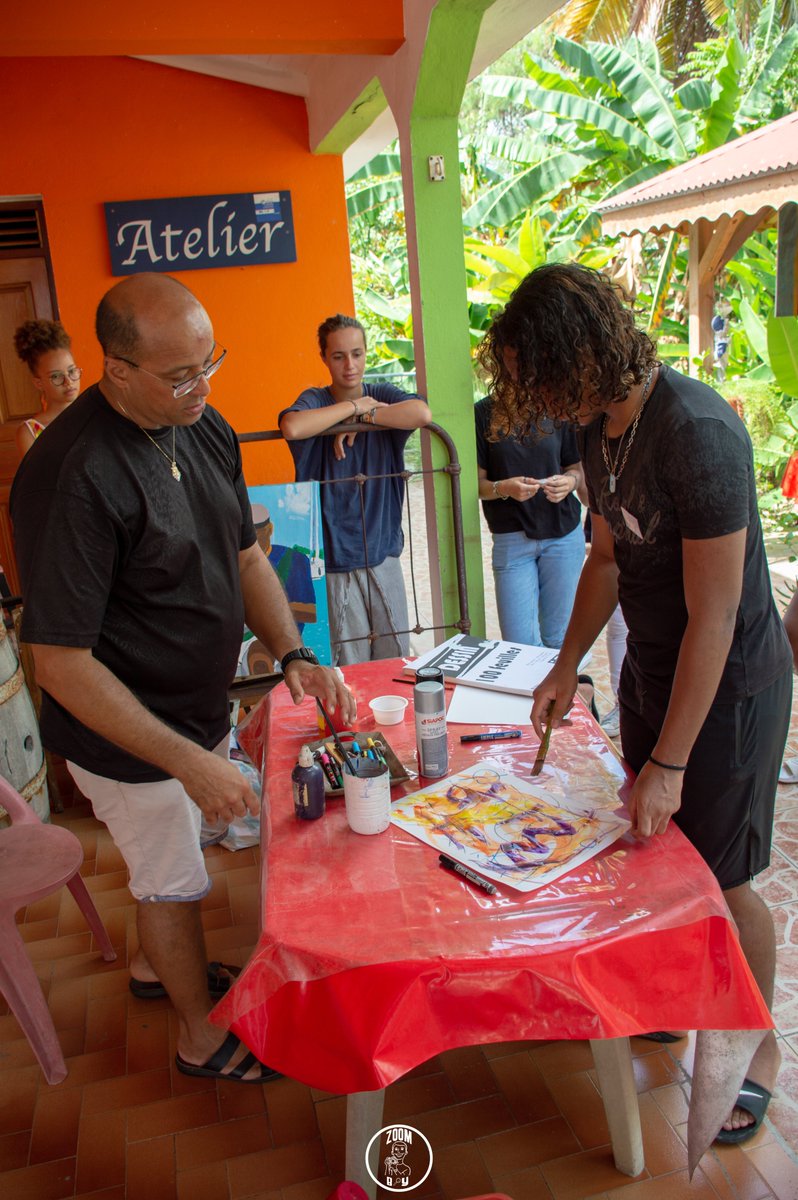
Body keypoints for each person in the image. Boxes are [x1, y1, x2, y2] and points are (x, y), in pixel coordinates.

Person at [10, 273, 356, 1085]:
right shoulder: (75, 475)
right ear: (117, 371)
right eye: (179, 375)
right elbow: (57, 661)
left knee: (166, 861)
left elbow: (244, 555)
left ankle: (146, 969)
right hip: (127, 734)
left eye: (211, 363)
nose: (202, 387)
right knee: (171, 878)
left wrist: (294, 652)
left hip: (191, 707)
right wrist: (187, 760)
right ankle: (199, 1039)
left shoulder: (202, 426)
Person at [478, 262, 793, 1143]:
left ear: (581, 357)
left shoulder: (696, 433)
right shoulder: (599, 430)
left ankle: (756, 1052)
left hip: (727, 689)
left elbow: (717, 615)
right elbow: (608, 561)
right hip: (656, 671)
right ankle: (670, 1001)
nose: (536, 399)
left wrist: (669, 762)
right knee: (655, 858)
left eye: (541, 376)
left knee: (724, 881)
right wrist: (562, 665)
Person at [279, 315, 432, 665]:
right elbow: (292, 425)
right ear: (324, 357)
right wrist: (351, 409)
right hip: (335, 557)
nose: (350, 365)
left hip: (383, 550)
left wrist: (364, 419)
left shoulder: (381, 395)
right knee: (352, 663)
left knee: (395, 657)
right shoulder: (316, 400)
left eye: (357, 354)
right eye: (339, 356)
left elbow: (421, 413)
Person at [475, 394, 584, 647]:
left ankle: (568, 687)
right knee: (518, 645)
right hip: (511, 538)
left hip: (563, 535)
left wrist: (569, 483)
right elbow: (477, 486)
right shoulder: (483, 413)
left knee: (559, 638)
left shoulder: (558, 405)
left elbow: (575, 470)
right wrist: (504, 488)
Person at [13, 319, 82, 456]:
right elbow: (36, 477)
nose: (68, 381)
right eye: (56, 376)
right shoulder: (30, 432)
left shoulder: (96, 415)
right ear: (38, 383)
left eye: (72, 371)